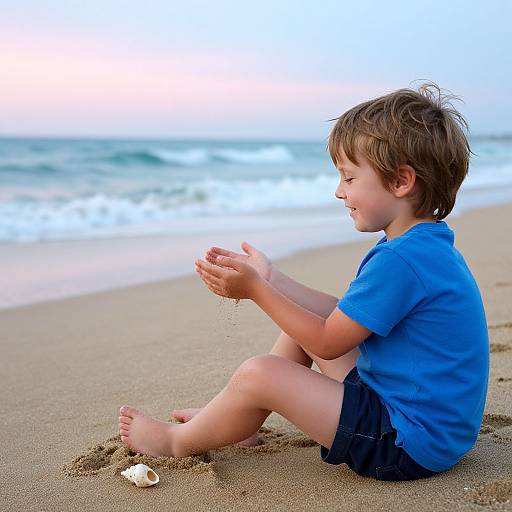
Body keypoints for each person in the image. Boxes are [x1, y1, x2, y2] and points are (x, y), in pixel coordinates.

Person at [118, 81, 489, 481]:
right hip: (424, 423)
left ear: (401, 181)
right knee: (302, 326)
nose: (338, 192)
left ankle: (176, 442)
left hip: (403, 443)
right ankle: (235, 418)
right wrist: (272, 278)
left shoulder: (401, 260)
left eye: (349, 178)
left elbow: (329, 341)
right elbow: (338, 317)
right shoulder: (425, 247)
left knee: (261, 372)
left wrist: (258, 292)